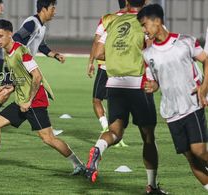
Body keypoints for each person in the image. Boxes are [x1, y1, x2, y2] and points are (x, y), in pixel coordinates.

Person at [0, 19, 85, 175]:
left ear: (10, 34)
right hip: (22, 101)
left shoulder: (21, 51)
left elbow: (37, 77)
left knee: (48, 138)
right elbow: (23, 77)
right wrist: (12, 86)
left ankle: (79, 165)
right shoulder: (8, 53)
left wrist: (29, 101)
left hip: (34, 101)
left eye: (1, 36)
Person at [87, 0, 168, 194]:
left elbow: (98, 52)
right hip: (138, 83)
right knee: (148, 137)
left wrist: (118, 55)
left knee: (115, 131)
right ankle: (152, 186)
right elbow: (155, 50)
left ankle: (98, 148)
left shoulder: (112, 21)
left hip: (114, 83)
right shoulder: (148, 21)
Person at [138, 4, 208, 191]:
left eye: (145, 25)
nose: (144, 30)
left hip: (192, 105)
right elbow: (155, 80)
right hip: (171, 113)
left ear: (157, 21)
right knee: (192, 159)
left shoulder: (185, 41)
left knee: (200, 151)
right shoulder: (148, 54)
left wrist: (204, 88)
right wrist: (153, 86)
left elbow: (206, 60)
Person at [0, 0, 65, 137]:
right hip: (18, 65)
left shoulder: (41, 27)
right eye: (52, 8)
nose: (55, 11)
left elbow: (41, 46)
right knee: (4, 94)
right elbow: (17, 37)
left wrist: (55, 55)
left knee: (16, 93)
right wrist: (19, 56)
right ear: (43, 9)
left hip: (23, 66)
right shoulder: (32, 23)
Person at [86, 0, 128, 147]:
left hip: (105, 67)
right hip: (126, 69)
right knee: (118, 102)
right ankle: (117, 132)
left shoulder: (107, 18)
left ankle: (107, 128)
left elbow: (97, 41)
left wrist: (91, 62)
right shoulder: (137, 20)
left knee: (97, 100)